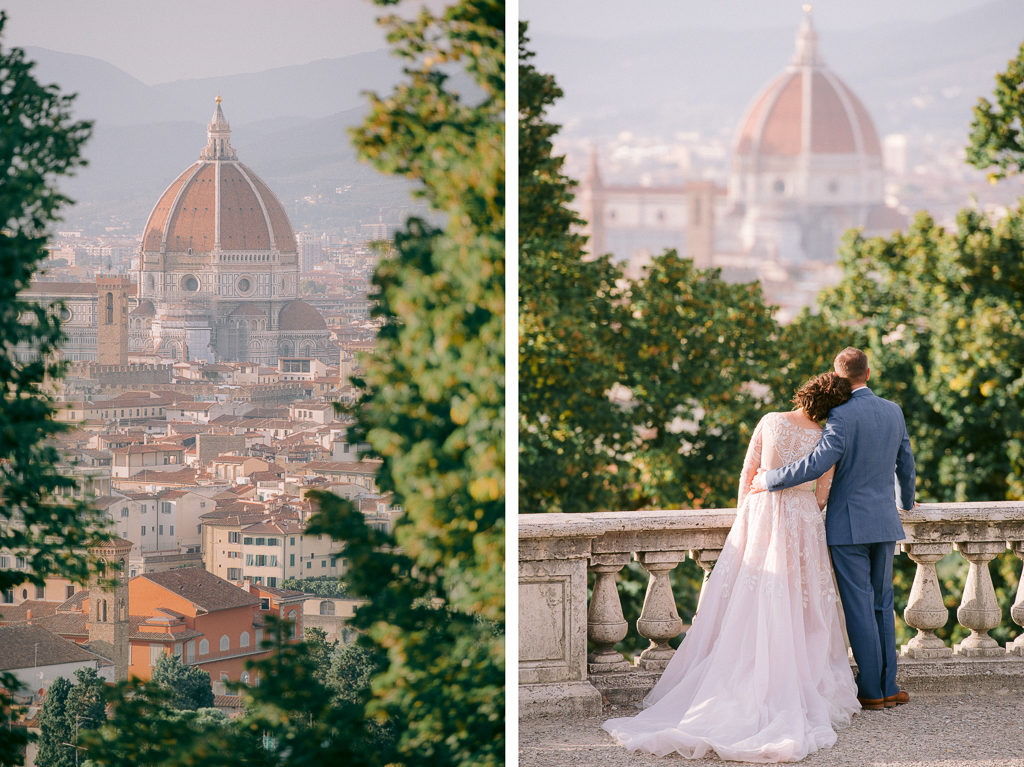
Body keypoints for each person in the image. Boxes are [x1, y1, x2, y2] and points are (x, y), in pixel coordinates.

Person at [603, 372, 861, 763]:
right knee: (801, 602)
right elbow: (823, 492)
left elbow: (748, 471)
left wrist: (746, 517)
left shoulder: (770, 420)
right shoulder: (826, 438)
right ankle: (795, 682)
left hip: (760, 514)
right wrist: (805, 509)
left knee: (752, 599)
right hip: (802, 520)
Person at [751, 347, 916, 711]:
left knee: (859, 605)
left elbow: (815, 464)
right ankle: (889, 686)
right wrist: (906, 501)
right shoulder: (894, 411)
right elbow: (905, 460)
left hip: (848, 526)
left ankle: (871, 690)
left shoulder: (839, 415)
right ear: (868, 374)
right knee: (882, 604)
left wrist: (770, 479)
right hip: (885, 522)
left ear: (839, 376)